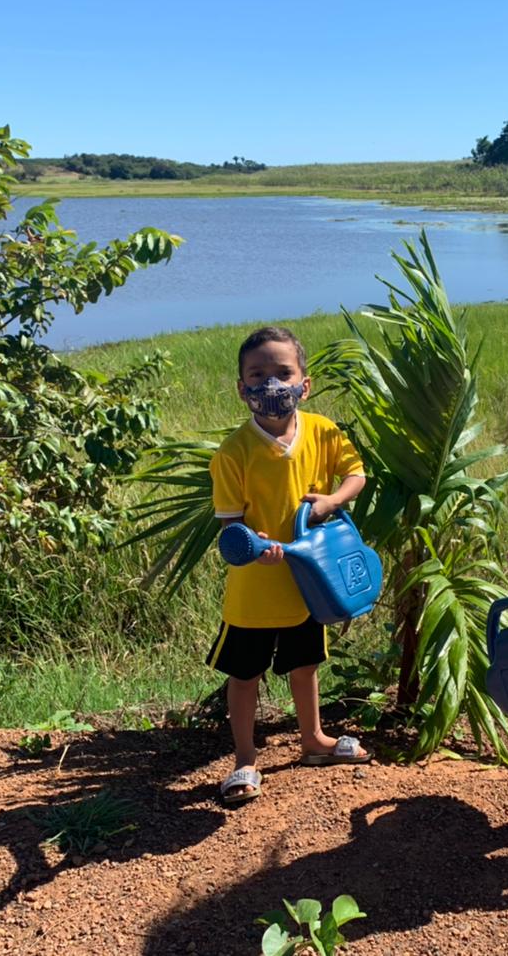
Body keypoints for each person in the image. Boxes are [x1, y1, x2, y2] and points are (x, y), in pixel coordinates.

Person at [208, 326, 370, 805]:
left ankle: (314, 740)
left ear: (305, 382)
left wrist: (330, 502)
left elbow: (355, 474)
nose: (271, 385)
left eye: (283, 373)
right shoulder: (234, 452)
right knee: (245, 676)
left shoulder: (323, 431)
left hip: (309, 582)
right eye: (257, 376)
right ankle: (244, 759)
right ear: (241, 389)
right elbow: (229, 528)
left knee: (305, 665)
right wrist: (255, 544)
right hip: (255, 592)